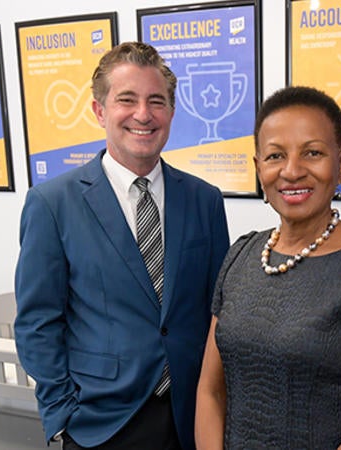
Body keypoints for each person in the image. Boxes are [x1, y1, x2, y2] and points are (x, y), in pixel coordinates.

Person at [15, 41, 230, 450]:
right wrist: (62, 415)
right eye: (126, 100)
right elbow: (36, 322)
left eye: (157, 101)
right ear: (99, 111)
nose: (143, 114)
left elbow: (217, 310)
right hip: (100, 424)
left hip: (192, 418)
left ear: (171, 111)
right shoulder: (52, 203)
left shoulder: (205, 199)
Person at [195, 86, 341, 449]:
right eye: (275, 156)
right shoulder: (241, 255)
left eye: (312, 153)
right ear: (258, 168)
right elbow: (210, 392)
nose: (292, 171)